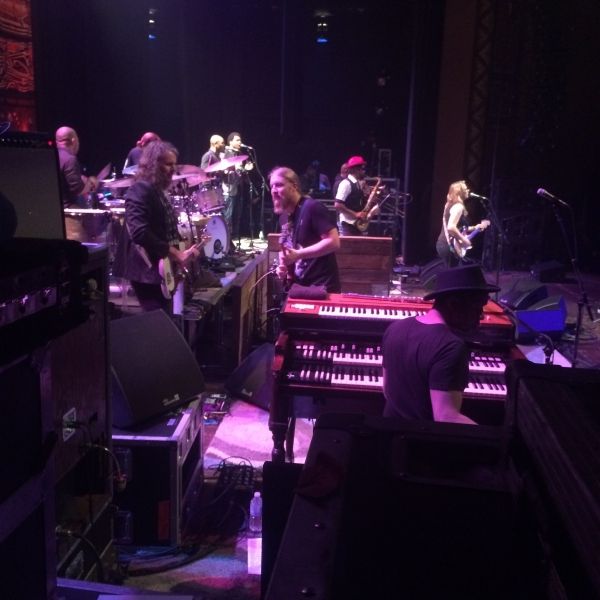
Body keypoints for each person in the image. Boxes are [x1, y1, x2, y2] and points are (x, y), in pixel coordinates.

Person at [382, 264, 499, 424]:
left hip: (389, 430)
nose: (481, 316)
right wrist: (490, 435)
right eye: (477, 308)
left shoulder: (395, 327)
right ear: (453, 304)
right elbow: (446, 417)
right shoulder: (451, 346)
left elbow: (387, 390)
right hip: (421, 437)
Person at [112, 140, 203, 313]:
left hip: (159, 267)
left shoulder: (158, 191)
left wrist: (183, 251)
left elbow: (165, 229)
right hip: (145, 268)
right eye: (168, 164)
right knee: (158, 319)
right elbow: (139, 232)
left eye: (174, 164)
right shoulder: (140, 189)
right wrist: (174, 252)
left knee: (163, 318)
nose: (173, 169)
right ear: (153, 165)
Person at [270, 166, 341, 293]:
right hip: (300, 288)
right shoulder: (284, 217)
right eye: (272, 186)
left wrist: (298, 254)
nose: (274, 190)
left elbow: (334, 242)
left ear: (294, 186)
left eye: (279, 185)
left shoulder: (312, 207)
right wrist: (284, 268)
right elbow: (290, 249)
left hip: (322, 289)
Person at [55, 125, 98, 241]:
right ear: (74, 140)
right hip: (68, 216)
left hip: (53, 214)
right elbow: (77, 190)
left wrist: (81, 177)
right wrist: (91, 182)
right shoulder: (70, 159)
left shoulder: (51, 155)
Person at [435, 180, 489, 267]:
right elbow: (451, 227)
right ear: (459, 192)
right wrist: (464, 240)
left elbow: (459, 227)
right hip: (449, 246)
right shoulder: (458, 207)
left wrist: (476, 227)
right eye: (465, 189)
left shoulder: (451, 204)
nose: (468, 190)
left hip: (444, 244)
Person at [334, 155, 369, 236]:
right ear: (356, 169)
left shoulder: (356, 183)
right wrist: (355, 214)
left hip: (355, 224)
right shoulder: (346, 184)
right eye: (362, 169)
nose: (364, 171)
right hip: (348, 224)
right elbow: (338, 205)